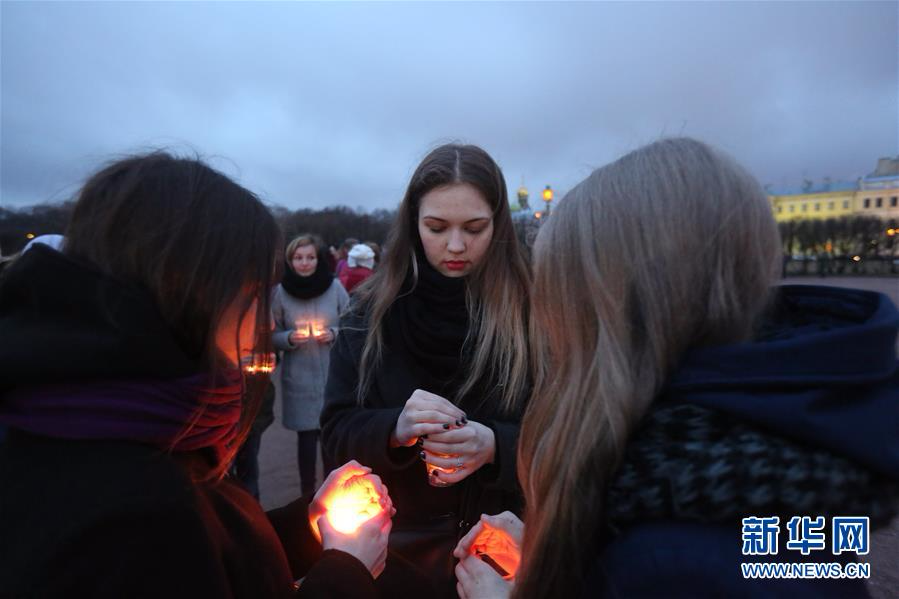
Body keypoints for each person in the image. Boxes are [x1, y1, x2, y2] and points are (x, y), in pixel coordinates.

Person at [455, 138, 899, 598]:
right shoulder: (760, 453)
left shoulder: (674, 556)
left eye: (556, 292)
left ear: (611, 309)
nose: (546, 320)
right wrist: (561, 557)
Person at [0, 153, 393, 597]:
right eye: (252, 294)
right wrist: (347, 573)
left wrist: (309, 524)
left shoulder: (114, 415)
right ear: (196, 294)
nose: (260, 324)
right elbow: (176, 544)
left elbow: (208, 552)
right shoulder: (131, 505)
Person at [321, 143, 532, 598]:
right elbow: (335, 433)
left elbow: (571, 438)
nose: (455, 246)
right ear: (413, 225)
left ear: (499, 226)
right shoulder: (369, 312)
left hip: (501, 559)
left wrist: (496, 444)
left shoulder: (534, 312)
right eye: (437, 228)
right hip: (391, 559)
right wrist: (394, 427)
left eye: (474, 228)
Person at [273, 234, 350, 497]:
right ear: (290, 260)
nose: (304, 263)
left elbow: (351, 325)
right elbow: (271, 334)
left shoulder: (335, 287)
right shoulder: (281, 293)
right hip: (300, 377)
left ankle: (334, 498)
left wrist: (334, 333)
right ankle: (307, 499)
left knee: (331, 439)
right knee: (306, 442)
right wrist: (288, 338)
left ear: (318, 259)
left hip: (333, 375)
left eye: (310, 257)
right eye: (298, 258)